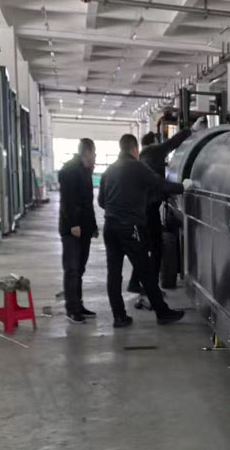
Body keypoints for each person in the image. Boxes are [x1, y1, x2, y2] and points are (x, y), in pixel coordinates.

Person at [97, 133, 192, 327]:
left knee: (113, 273)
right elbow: (161, 185)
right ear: (135, 149)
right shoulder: (137, 167)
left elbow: (101, 201)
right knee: (146, 270)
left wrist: (117, 209)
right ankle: (162, 312)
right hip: (130, 227)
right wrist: (183, 187)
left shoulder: (109, 170)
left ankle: (119, 317)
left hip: (110, 227)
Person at [128, 118, 206, 293]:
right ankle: (152, 287)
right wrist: (190, 130)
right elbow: (172, 143)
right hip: (150, 210)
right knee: (156, 248)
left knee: (144, 248)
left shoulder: (142, 157)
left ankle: (135, 282)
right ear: (154, 142)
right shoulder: (153, 152)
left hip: (141, 209)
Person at [58, 138, 98, 323]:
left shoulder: (85, 170)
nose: (95, 157)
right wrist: (74, 224)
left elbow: (88, 202)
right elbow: (68, 201)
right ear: (87, 152)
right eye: (94, 153)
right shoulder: (70, 170)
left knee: (79, 269)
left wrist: (93, 226)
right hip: (72, 229)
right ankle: (72, 309)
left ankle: (78, 304)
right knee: (72, 269)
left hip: (84, 228)